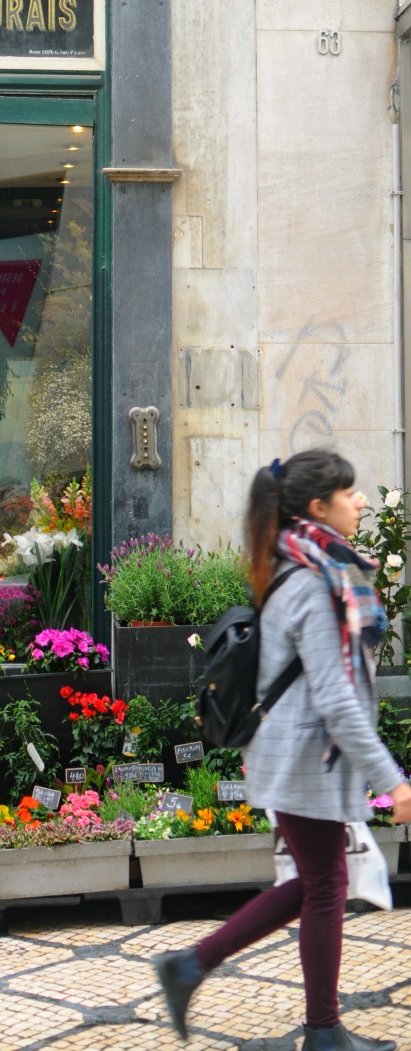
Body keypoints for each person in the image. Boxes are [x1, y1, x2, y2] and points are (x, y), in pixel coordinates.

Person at [154, 448, 411, 1051]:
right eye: (350, 493)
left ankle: (192, 966)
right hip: (303, 759)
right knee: (324, 884)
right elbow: (335, 697)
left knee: (317, 880)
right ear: (318, 507)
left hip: (296, 756)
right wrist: (392, 781)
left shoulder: (308, 565)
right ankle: (321, 1031)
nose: (362, 501)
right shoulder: (317, 579)